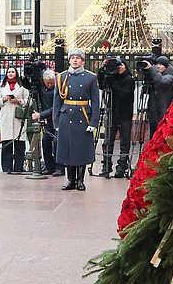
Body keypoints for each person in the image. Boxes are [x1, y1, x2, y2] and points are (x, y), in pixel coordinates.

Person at [53, 48, 100, 191]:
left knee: (81, 150)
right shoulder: (61, 77)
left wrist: (93, 122)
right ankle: (70, 180)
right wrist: (56, 121)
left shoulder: (90, 77)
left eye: (78, 58)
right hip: (66, 116)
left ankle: (80, 180)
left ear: (82, 61)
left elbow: (96, 102)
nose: (75, 60)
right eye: (72, 57)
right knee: (67, 150)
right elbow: (57, 101)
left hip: (83, 115)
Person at [98, 58, 135, 178]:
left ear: (125, 66)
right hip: (111, 113)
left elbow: (124, 94)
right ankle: (106, 165)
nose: (118, 68)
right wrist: (102, 71)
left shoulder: (129, 79)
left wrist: (113, 83)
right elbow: (102, 86)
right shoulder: (111, 77)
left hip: (125, 114)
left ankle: (122, 167)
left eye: (121, 65)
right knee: (108, 141)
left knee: (124, 142)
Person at [0, 66, 30, 173]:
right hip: (6, 118)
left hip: (18, 119)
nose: (10, 73)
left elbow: (29, 101)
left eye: (13, 72)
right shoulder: (1, 87)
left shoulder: (22, 87)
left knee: (19, 145)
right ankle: (7, 168)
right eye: (9, 72)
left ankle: (18, 168)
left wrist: (19, 101)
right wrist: (4, 99)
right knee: (7, 146)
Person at [33, 69, 64, 176]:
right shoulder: (41, 87)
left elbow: (55, 107)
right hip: (49, 120)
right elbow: (29, 85)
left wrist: (41, 114)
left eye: (52, 83)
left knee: (56, 142)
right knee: (45, 140)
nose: (50, 85)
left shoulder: (59, 88)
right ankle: (49, 166)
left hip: (59, 119)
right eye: (48, 83)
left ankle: (59, 167)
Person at [142, 56, 173, 137]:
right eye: (156, 64)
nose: (158, 66)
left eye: (161, 65)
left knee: (162, 137)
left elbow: (162, 82)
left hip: (163, 113)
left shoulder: (170, 76)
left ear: (166, 66)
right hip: (153, 113)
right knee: (153, 136)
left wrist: (152, 69)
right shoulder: (154, 75)